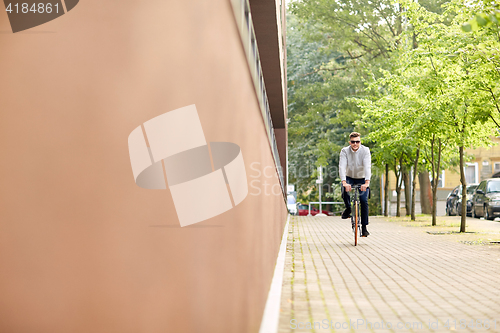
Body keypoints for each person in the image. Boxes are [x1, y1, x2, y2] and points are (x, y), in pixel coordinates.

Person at [339, 132, 371, 237]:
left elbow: (367, 167)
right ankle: (348, 208)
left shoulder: (365, 151)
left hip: (362, 178)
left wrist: (367, 182)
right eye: (353, 142)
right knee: (344, 189)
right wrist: (344, 182)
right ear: (350, 142)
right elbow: (342, 167)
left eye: (357, 141)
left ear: (360, 142)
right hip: (349, 177)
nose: (355, 144)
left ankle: (364, 227)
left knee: (364, 201)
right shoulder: (344, 151)